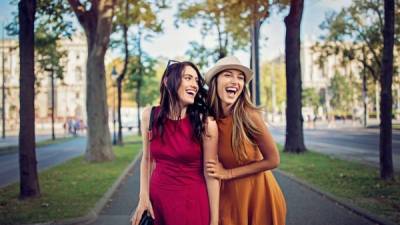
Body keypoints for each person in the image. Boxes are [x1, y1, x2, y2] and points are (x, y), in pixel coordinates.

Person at [131, 60, 220, 225]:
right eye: (188, 78)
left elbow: (211, 174)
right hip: (157, 202)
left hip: (191, 204)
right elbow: (147, 159)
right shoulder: (149, 116)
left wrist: (214, 221)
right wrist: (143, 196)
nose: (194, 84)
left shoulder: (207, 124)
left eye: (196, 81)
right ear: (167, 81)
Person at [205, 56, 286, 225]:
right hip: (227, 198)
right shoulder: (208, 120)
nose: (235, 81)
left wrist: (228, 173)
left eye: (240, 77)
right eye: (228, 75)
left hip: (259, 197)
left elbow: (273, 160)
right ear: (215, 82)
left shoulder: (249, 116)